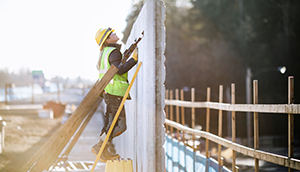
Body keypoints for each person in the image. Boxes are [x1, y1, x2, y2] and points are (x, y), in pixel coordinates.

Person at [91, 27, 138, 162]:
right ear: (107, 39)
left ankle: (102, 147)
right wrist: (133, 60)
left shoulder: (106, 52)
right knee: (116, 125)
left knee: (114, 124)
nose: (115, 34)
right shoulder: (113, 52)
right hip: (114, 93)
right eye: (112, 34)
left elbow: (117, 66)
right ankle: (100, 147)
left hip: (110, 93)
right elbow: (119, 70)